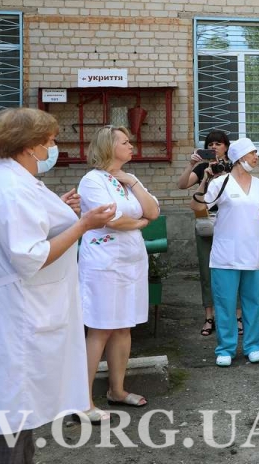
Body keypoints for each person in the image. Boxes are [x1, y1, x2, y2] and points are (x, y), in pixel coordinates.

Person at [0, 107, 115, 460]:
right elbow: (30, 256)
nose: (52, 147)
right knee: (15, 410)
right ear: (30, 145)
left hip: (14, 308)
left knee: (17, 410)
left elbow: (19, 227)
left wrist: (57, 210)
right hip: (19, 312)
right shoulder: (11, 187)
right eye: (49, 140)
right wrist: (83, 225)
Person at [79, 126, 160, 420]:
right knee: (101, 328)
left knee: (124, 326)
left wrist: (134, 182)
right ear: (108, 147)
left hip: (131, 261)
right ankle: (83, 401)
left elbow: (153, 211)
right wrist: (138, 223)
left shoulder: (127, 179)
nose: (131, 145)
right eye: (125, 142)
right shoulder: (92, 180)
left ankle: (117, 390)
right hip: (104, 263)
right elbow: (111, 219)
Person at [205, 138, 259, 367]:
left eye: (256, 153)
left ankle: (253, 346)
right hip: (225, 255)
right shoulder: (220, 183)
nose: (257, 157)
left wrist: (250, 222)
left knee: (253, 303)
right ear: (238, 157)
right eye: (252, 153)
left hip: (253, 252)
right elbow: (199, 207)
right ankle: (225, 348)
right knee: (225, 303)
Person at [177, 129, 233, 336]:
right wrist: (192, 165)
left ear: (226, 146)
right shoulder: (202, 168)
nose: (214, 147)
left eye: (218, 144)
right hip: (205, 221)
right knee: (206, 269)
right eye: (210, 144)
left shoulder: (233, 166)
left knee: (233, 268)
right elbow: (182, 185)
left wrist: (224, 174)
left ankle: (235, 315)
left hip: (229, 222)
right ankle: (209, 316)